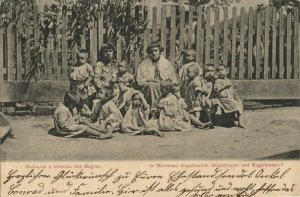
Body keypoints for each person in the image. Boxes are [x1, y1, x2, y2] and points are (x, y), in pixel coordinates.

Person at [136, 40, 177, 110]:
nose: (153, 53)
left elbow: (172, 79)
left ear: (159, 51)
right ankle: (154, 108)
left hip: (162, 85)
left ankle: (160, 107)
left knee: (160, 86)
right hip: (148, 87)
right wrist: (148, 80)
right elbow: (139, 80)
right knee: (152, 86)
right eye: (151, 51)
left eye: (155, 51)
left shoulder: (166, 63)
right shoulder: (144, 64)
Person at [213, 64, 246, 128]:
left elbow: (231, 91)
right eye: (218, 70)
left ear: (226, 71)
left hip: (229, 98)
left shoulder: (228, 80)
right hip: (223, 99)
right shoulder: (217, 81)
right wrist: (224, 87)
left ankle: (239, 122)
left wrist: (233, 90)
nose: (220, 72)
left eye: (222, 70)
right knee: (234, 105)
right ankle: (234, 121)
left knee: (239, 104)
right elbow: (216, 90)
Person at [183, 63, 211, 129]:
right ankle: (197, 121)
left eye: (189, 72)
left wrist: (197, 99)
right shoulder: (189, 80)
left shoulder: (196, 80)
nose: (187, 73)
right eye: (187, 72)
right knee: (194, 110)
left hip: (195, 98)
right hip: (191, 99)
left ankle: (197, 120)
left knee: (197, 109)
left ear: (195, 73)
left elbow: (199, 91)